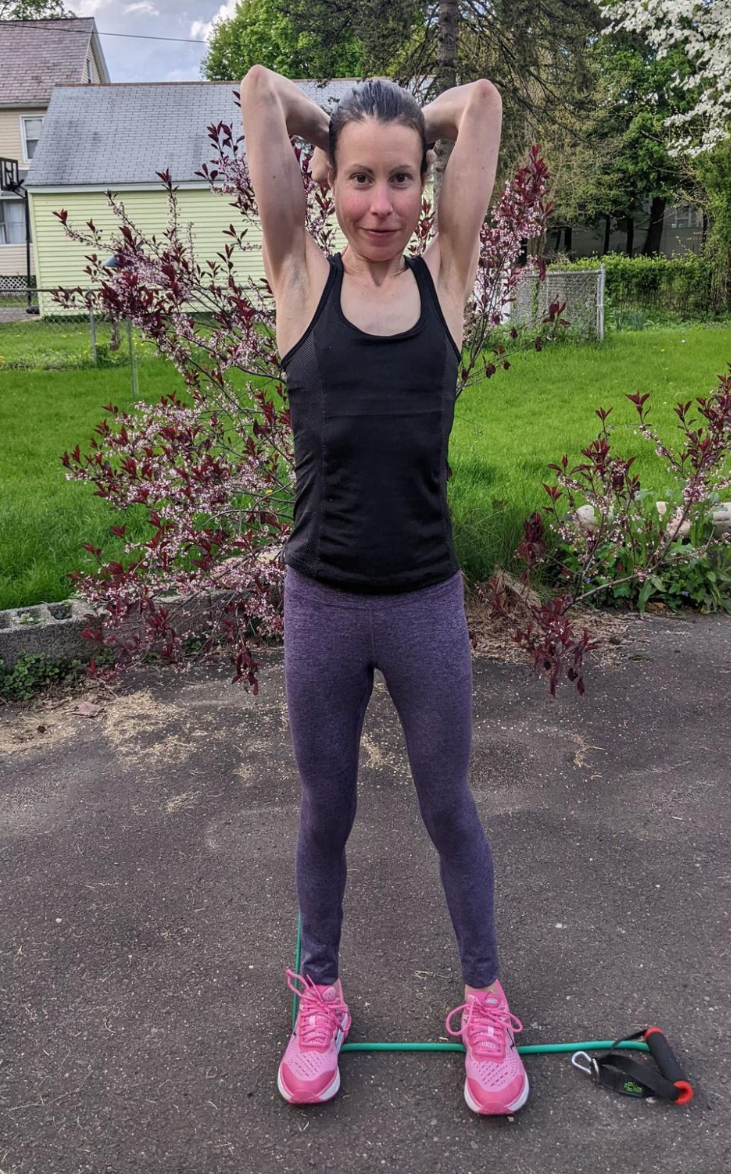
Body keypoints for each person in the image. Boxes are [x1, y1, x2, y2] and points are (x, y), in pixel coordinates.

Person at [238, 65, 532, 1116]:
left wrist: (398, 120)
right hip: (323, 603)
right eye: (358, 178)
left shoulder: (446, 277)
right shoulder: (299, 279)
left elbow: (482, 104)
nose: (378, 202)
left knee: (449, 806)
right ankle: (319, 994)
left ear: (424, 186)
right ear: (328, 184)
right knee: (328, 810)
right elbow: (260, 91)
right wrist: (334, 130)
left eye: (401, 177)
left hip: (422, 606)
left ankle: (485, 1002)